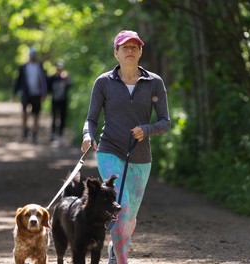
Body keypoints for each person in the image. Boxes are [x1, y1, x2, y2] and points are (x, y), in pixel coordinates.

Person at [81, 30, 171, 264]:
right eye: (125, 47)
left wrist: (147, 129)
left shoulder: (154, 82)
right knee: (123, 209)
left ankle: (115, 249)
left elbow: (165, 122)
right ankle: (121, 261)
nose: (130, 50)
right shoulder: (103, 82)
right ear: (116, 53)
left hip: (141, 158)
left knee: (130, 219)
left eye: (134, 47)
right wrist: (88, 135)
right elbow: (91, 119)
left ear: (141, 52)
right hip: (109, 151)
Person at [13, 48, 47, 143]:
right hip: (26, 94)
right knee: (24, 112)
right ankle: (25, 129)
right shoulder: (23, 67)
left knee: (36, 114)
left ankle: (34, 133)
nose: (33, 57)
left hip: (37, 94)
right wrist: (14, 92)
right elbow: (18, 80)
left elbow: (44, 81)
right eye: (31, 55)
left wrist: (44, 93)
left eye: (34, 55)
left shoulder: (40, 67)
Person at [47, 61, 72, 142]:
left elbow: (70, 84)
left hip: (63, 100)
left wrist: (66, 77)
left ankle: (60, 134)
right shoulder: (53, 77)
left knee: (62, 117)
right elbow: (48, 87)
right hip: (54, 100)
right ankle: (53, 133)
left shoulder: (65, 77)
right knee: (54, 116)